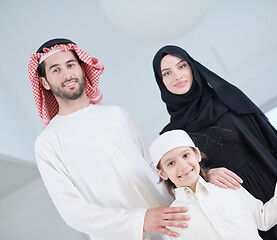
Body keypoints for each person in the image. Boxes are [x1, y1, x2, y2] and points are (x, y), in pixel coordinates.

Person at [152, 45, 277, 239]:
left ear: (192, 67)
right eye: (167, 73)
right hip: (238, 216)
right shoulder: (172, 136)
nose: (177, 76)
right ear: (161, 82)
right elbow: (184, 184)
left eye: (182, 66)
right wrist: (207, 173)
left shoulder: (228, 98)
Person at [28, 38, 190, 240]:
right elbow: (74, 211)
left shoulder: (117, 115)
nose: (67, 74)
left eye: (70, 65)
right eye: (55, 69)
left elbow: (158, 167)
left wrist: (202, 177)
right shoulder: (48, 143)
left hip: (177, 227)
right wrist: (140, 221)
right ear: (44, 82)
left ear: (82, 69)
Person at [149, 129, 277, 240]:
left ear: (197, 155)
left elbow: (264, 218)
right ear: (162, 173)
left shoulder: (226, 187)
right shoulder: (173, 219)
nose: (182, 166)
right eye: (171, 163)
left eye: (186, 155)